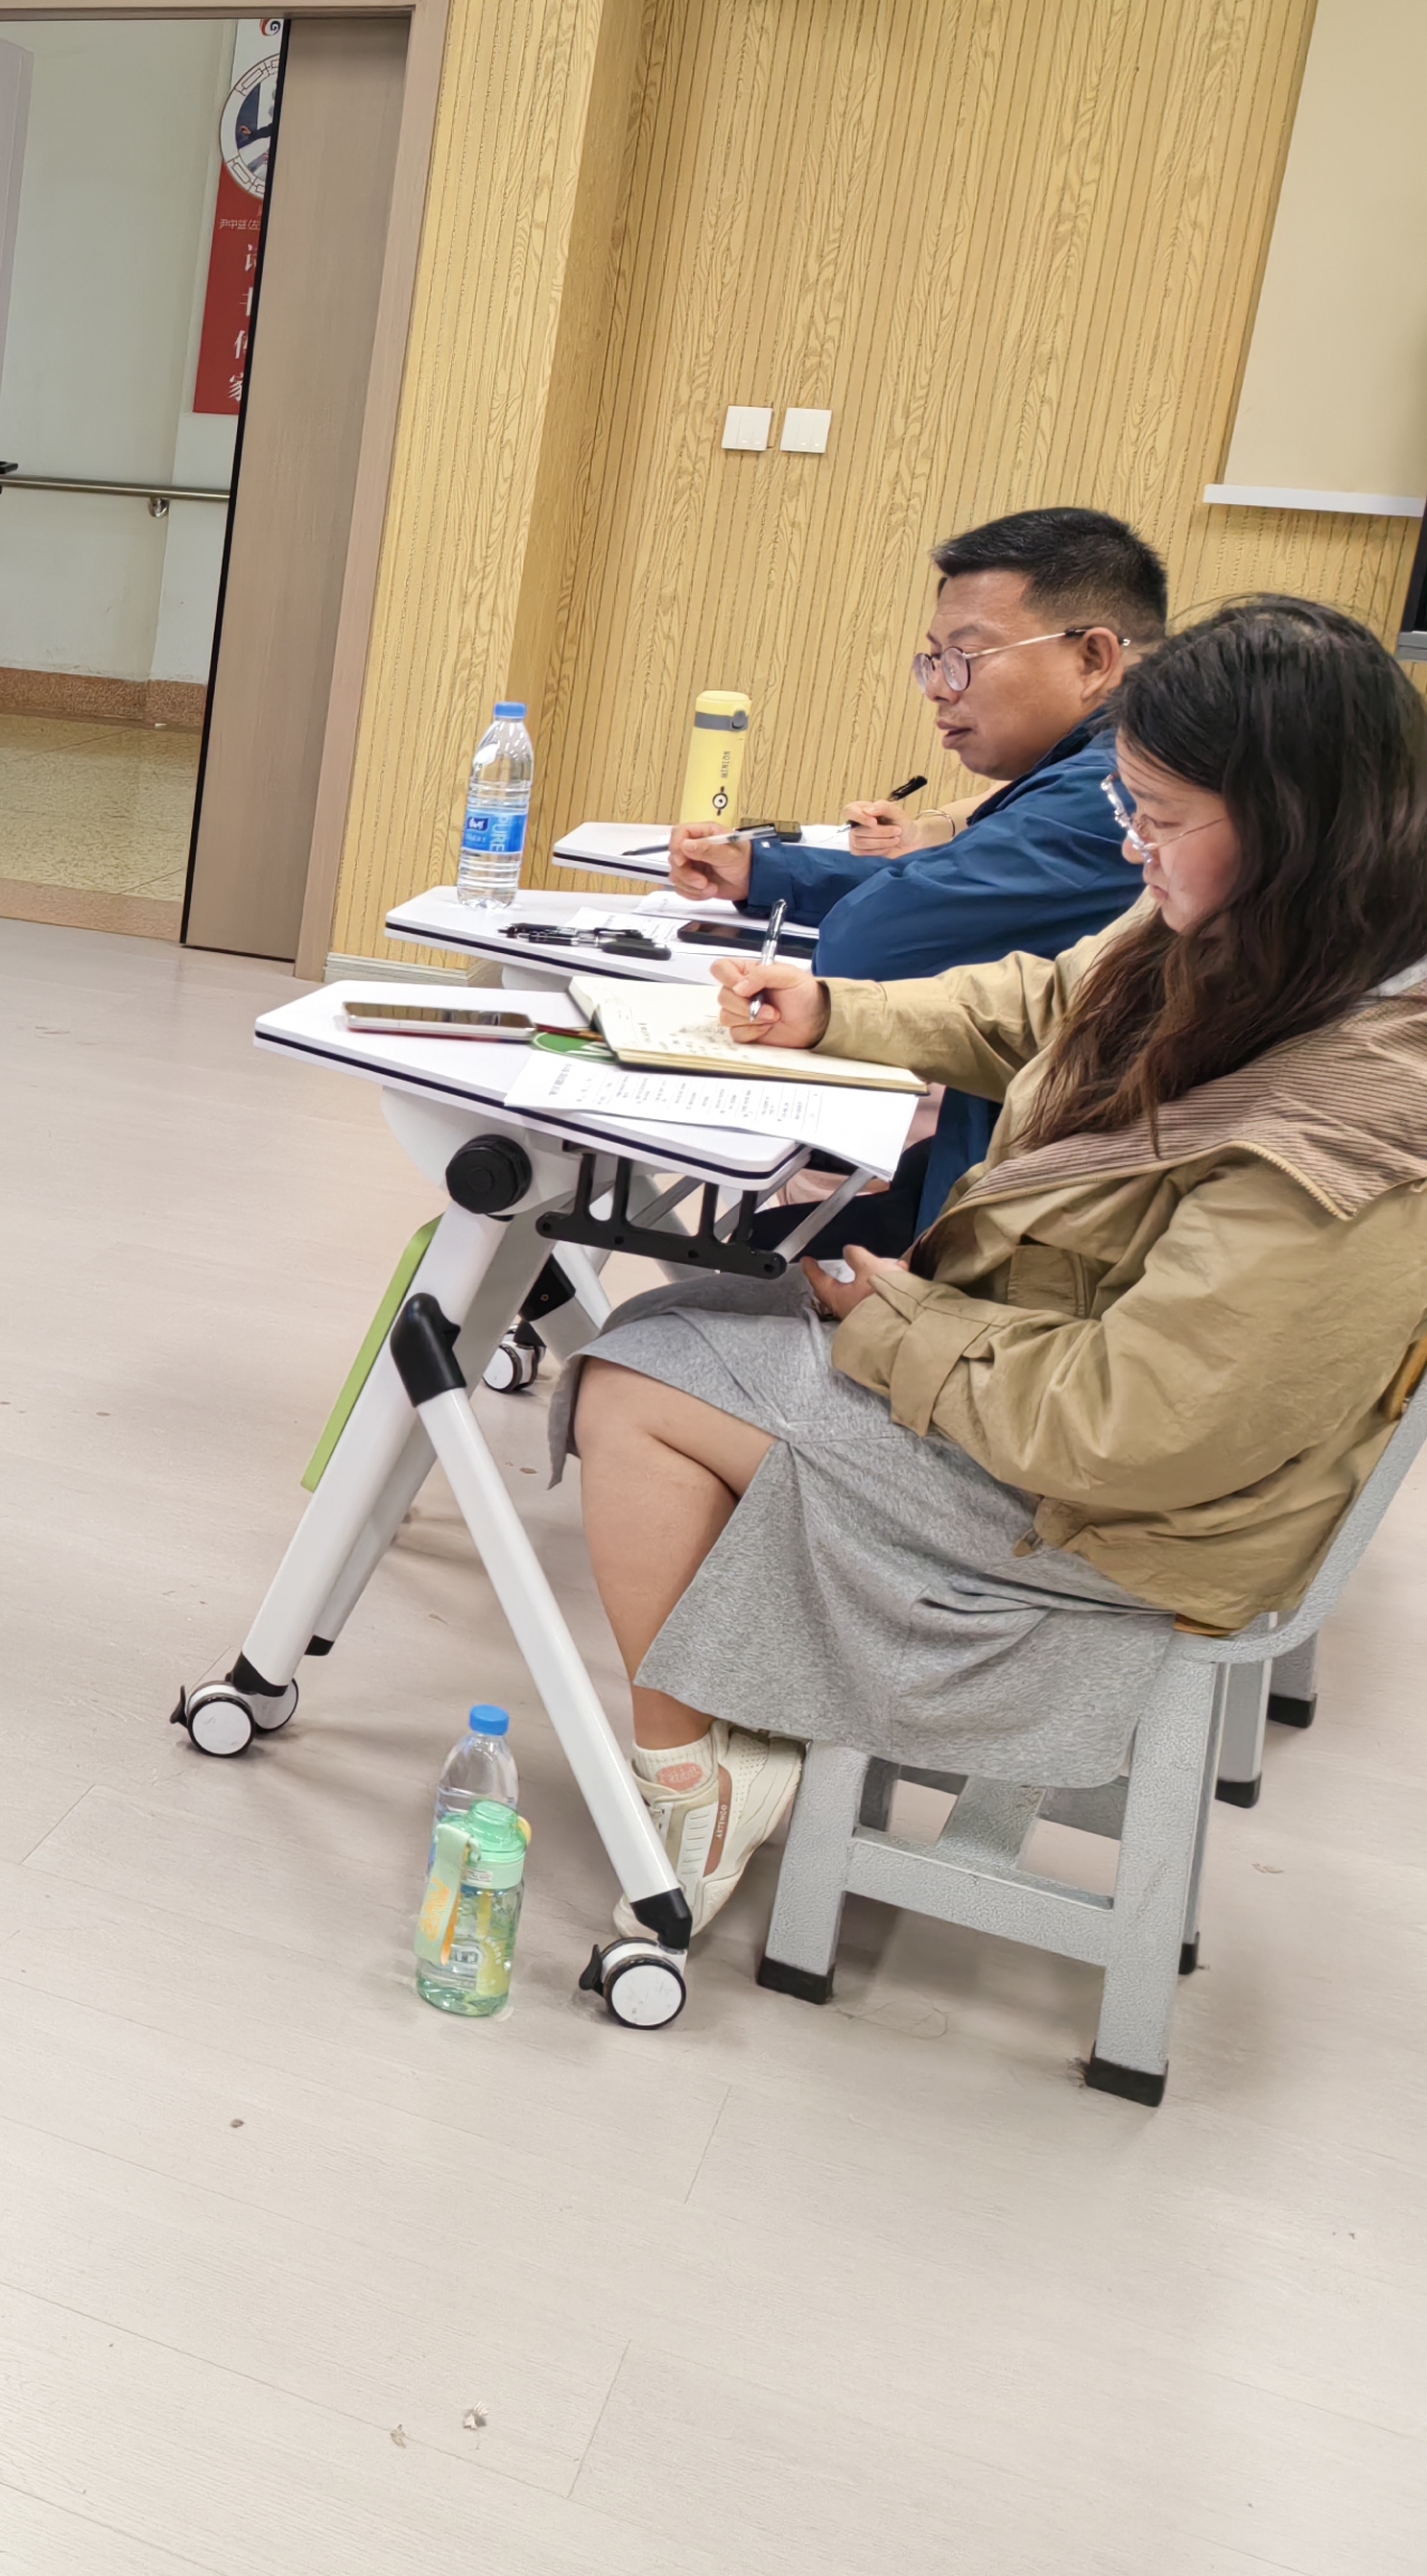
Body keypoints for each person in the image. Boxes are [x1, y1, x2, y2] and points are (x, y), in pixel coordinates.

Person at [563, 595, 1427, 1926]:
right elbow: (1052, 1003)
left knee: (637, 1375)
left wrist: (897, 1325)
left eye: (1159, 817)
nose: (1131, 847)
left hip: (1128, 1523)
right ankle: (745, 1717)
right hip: (1065, 1394)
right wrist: (835, 1012)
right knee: (688, 1325)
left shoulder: (1351, 1126)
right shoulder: (1272, 931)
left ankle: (698, 1778)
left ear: (1292, 827)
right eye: (1128, 806)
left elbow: (1132, 1431)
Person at [662, 506, 1168, 1249]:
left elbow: (874, 942)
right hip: (1003, 1170)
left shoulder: (1108, 793)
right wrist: (766, 869)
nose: (938, 687)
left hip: (1022, 1228)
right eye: (931, 661)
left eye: (965, 657)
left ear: (1093, 658)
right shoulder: (1096, 767)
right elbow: (951, 885)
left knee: (735, 1252)